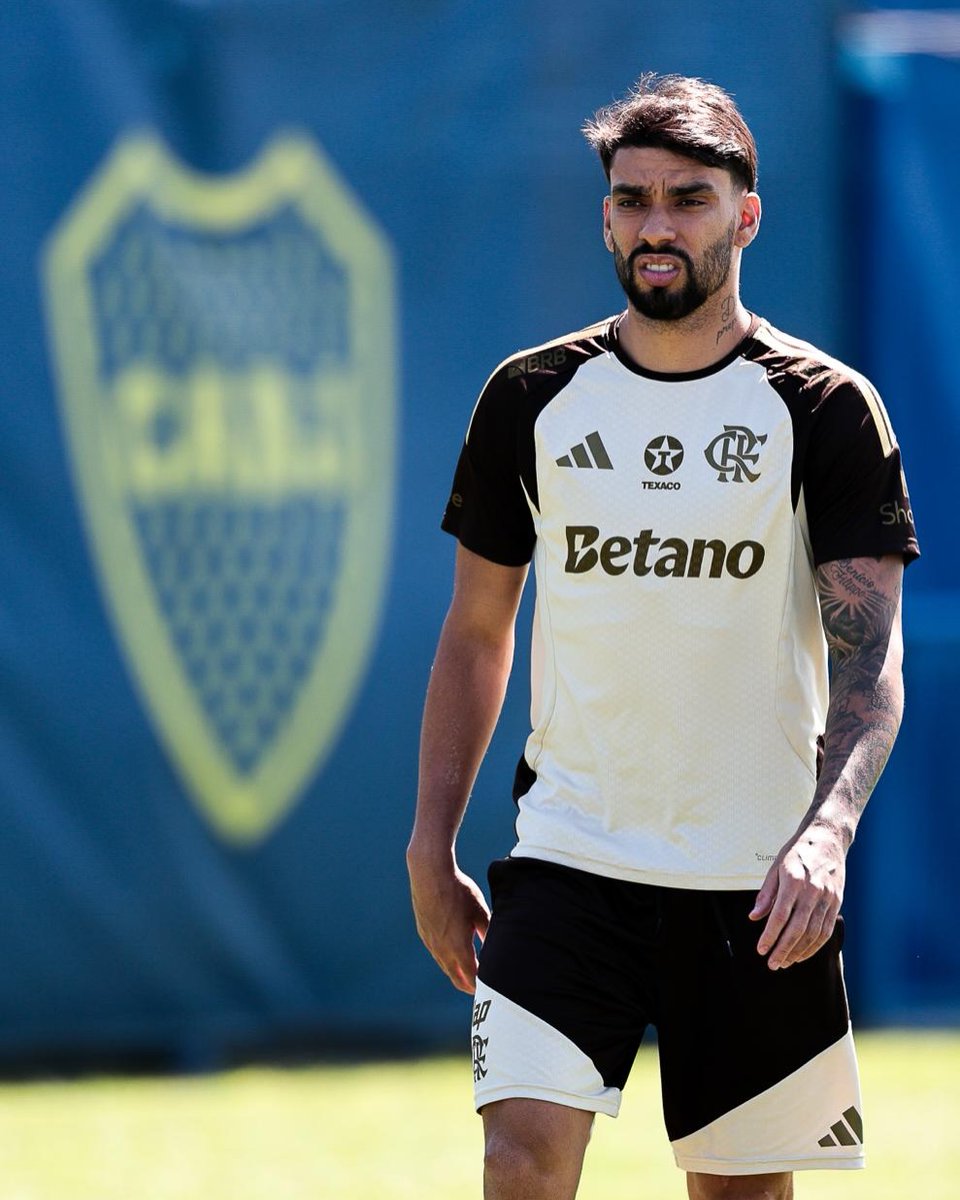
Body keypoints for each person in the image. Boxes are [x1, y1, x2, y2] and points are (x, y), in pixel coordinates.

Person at [406, 73, 919, 1200]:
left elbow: (867, 656)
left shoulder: (826, 408)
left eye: (688, 199)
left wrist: (826, 835)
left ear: (746, 214)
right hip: (567, 861)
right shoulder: (529, 398)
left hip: (754, 885)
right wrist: (431, 840)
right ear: (604, 217)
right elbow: (476, 631)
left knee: (739, 1192)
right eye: (631, 199)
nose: (655, 225)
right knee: (519, 1160)